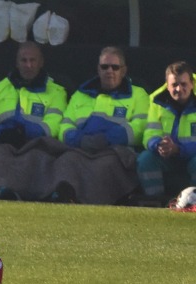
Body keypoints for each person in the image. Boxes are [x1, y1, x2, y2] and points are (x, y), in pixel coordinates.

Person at [0, 41, 68, 201]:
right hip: (2, 142)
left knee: (38, 156)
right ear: (17, 62)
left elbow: (55, 124)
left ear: (41, 62)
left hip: (36, 144)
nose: (28, 65)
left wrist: (26, 132)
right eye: (24, 60)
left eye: (33, 60)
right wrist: (1, 134)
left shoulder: (56, 92)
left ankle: (38, 198)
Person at [52, 46, 148, 204]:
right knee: (67, 160)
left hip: (116, 151)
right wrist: (79, 139)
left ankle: (91, 203)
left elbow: (141, 127)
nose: (109, 71)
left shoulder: (138, 94)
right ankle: (63, 198)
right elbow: (64, 126)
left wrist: (108, 138)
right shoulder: (80, 95)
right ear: (98, 69)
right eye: (104, 67)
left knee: (104, 165)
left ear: (123, 71)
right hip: (82, 149)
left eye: (115, 67)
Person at [137, 60, 196, 204]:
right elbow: (149, 134)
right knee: (145, 159)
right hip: (166, 157)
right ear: (167, 86)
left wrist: (179, 149)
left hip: (192, 156)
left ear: (192, 84)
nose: (179, 89)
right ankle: (156, 203)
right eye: (174, 85)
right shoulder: (156, 102)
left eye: (183, 84)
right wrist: (159, 145)